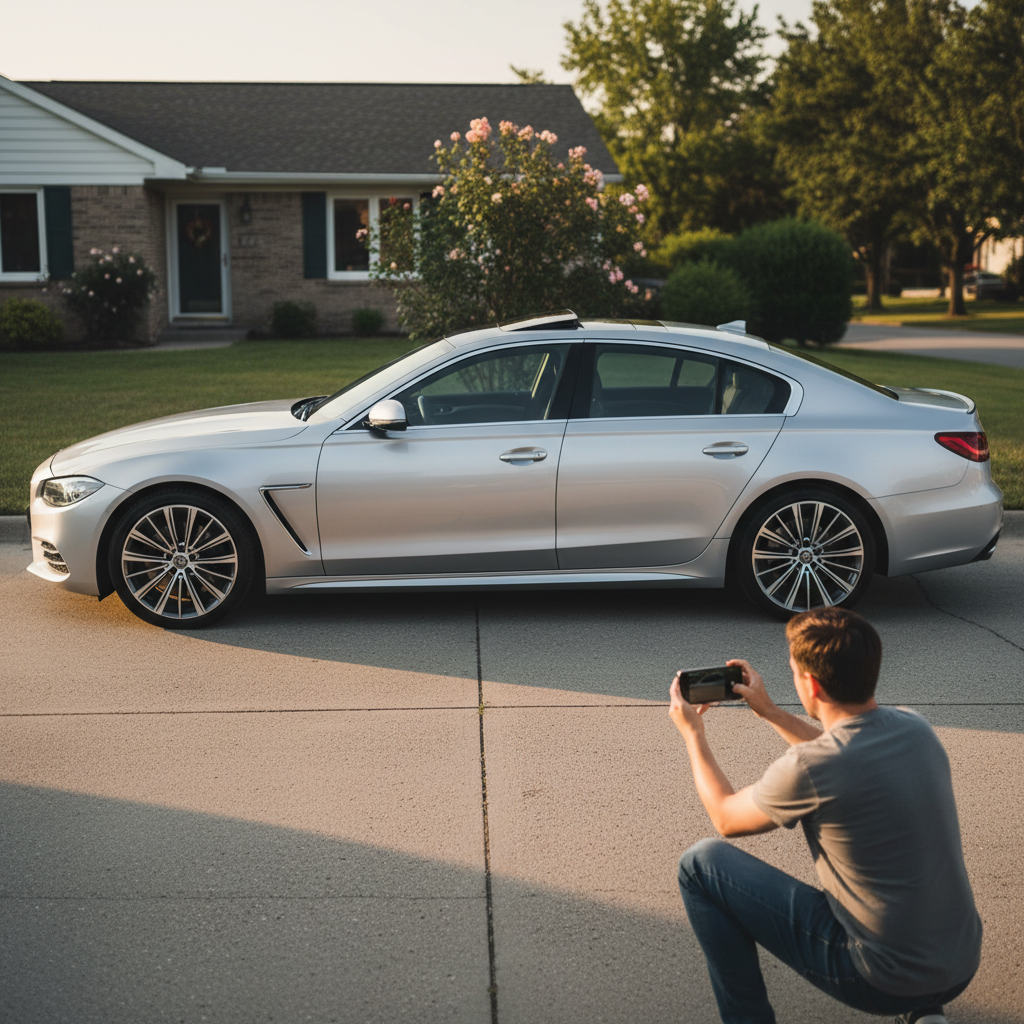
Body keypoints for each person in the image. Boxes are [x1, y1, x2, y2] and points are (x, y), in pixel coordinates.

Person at [669, 607, 981, 1024]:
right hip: (961, 962)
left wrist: (693, 734)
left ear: (811, 684)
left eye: (794, 671)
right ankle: (928, 1013)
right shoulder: (915, 728)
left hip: (881, 982)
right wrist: (771, 712)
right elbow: (847, 752)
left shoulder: (810, 768)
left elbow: (725, 818)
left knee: (701, 865)